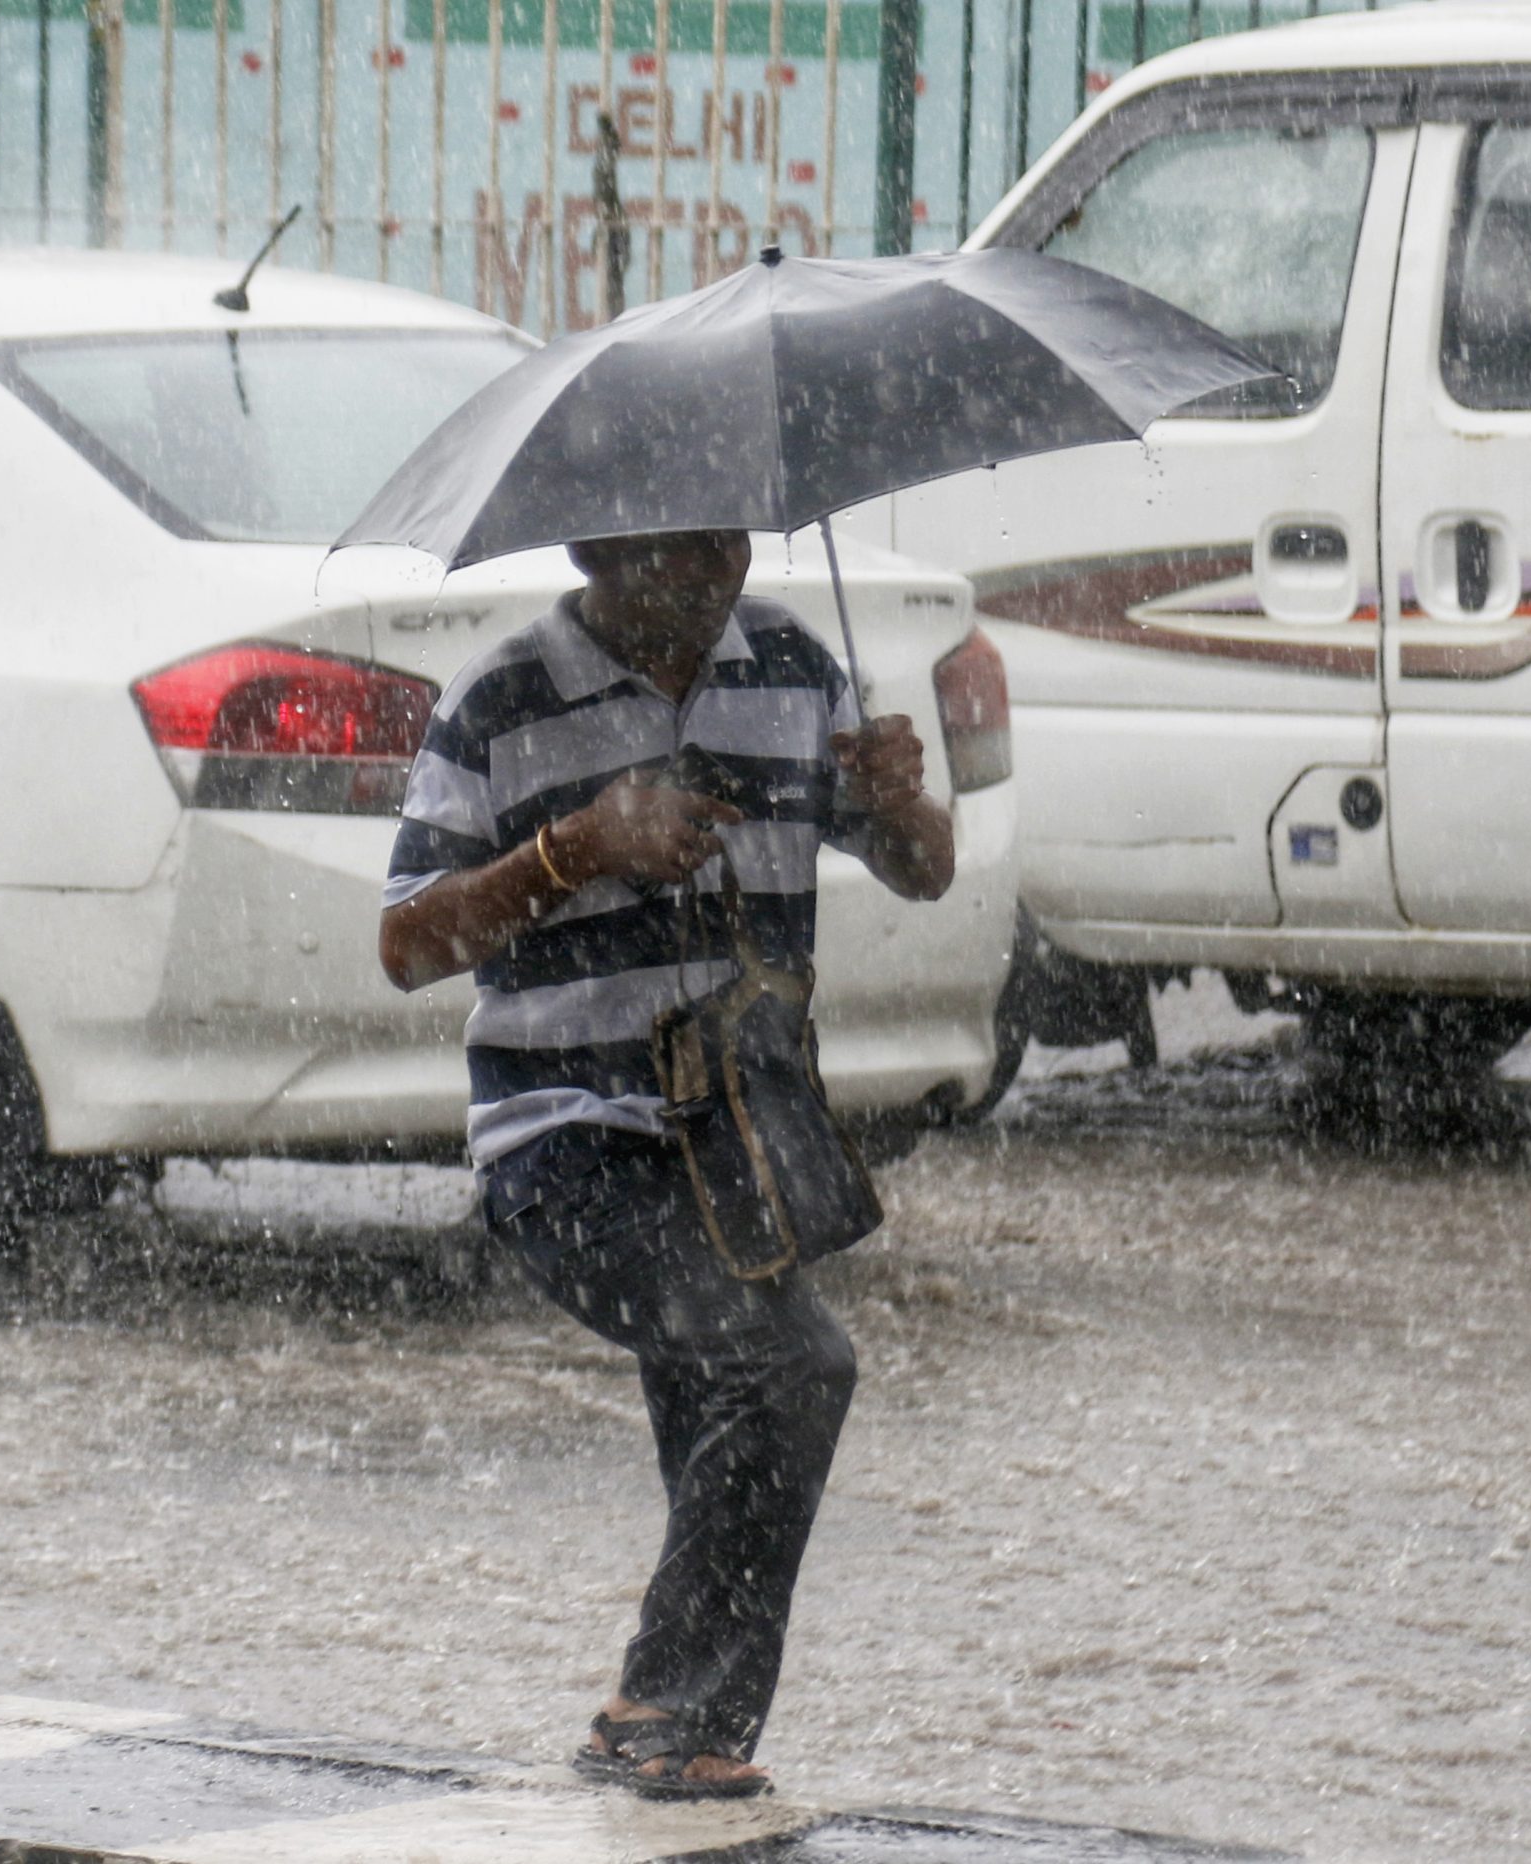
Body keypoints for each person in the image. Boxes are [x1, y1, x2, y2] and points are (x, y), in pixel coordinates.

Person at [377, 528, 952, 1798]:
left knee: (725, 1417)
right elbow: (407, 943)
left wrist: (902, 800)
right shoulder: (500, 698)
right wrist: (573, 850)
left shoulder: (795, 667)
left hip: (744, 1140)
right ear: (598, 546)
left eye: (728, 543)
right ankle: (659, 1711)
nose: (712, 577)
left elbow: (922, 870)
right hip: (565, 1137)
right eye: (674, 555)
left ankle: (673, 1754)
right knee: (791, 1365)